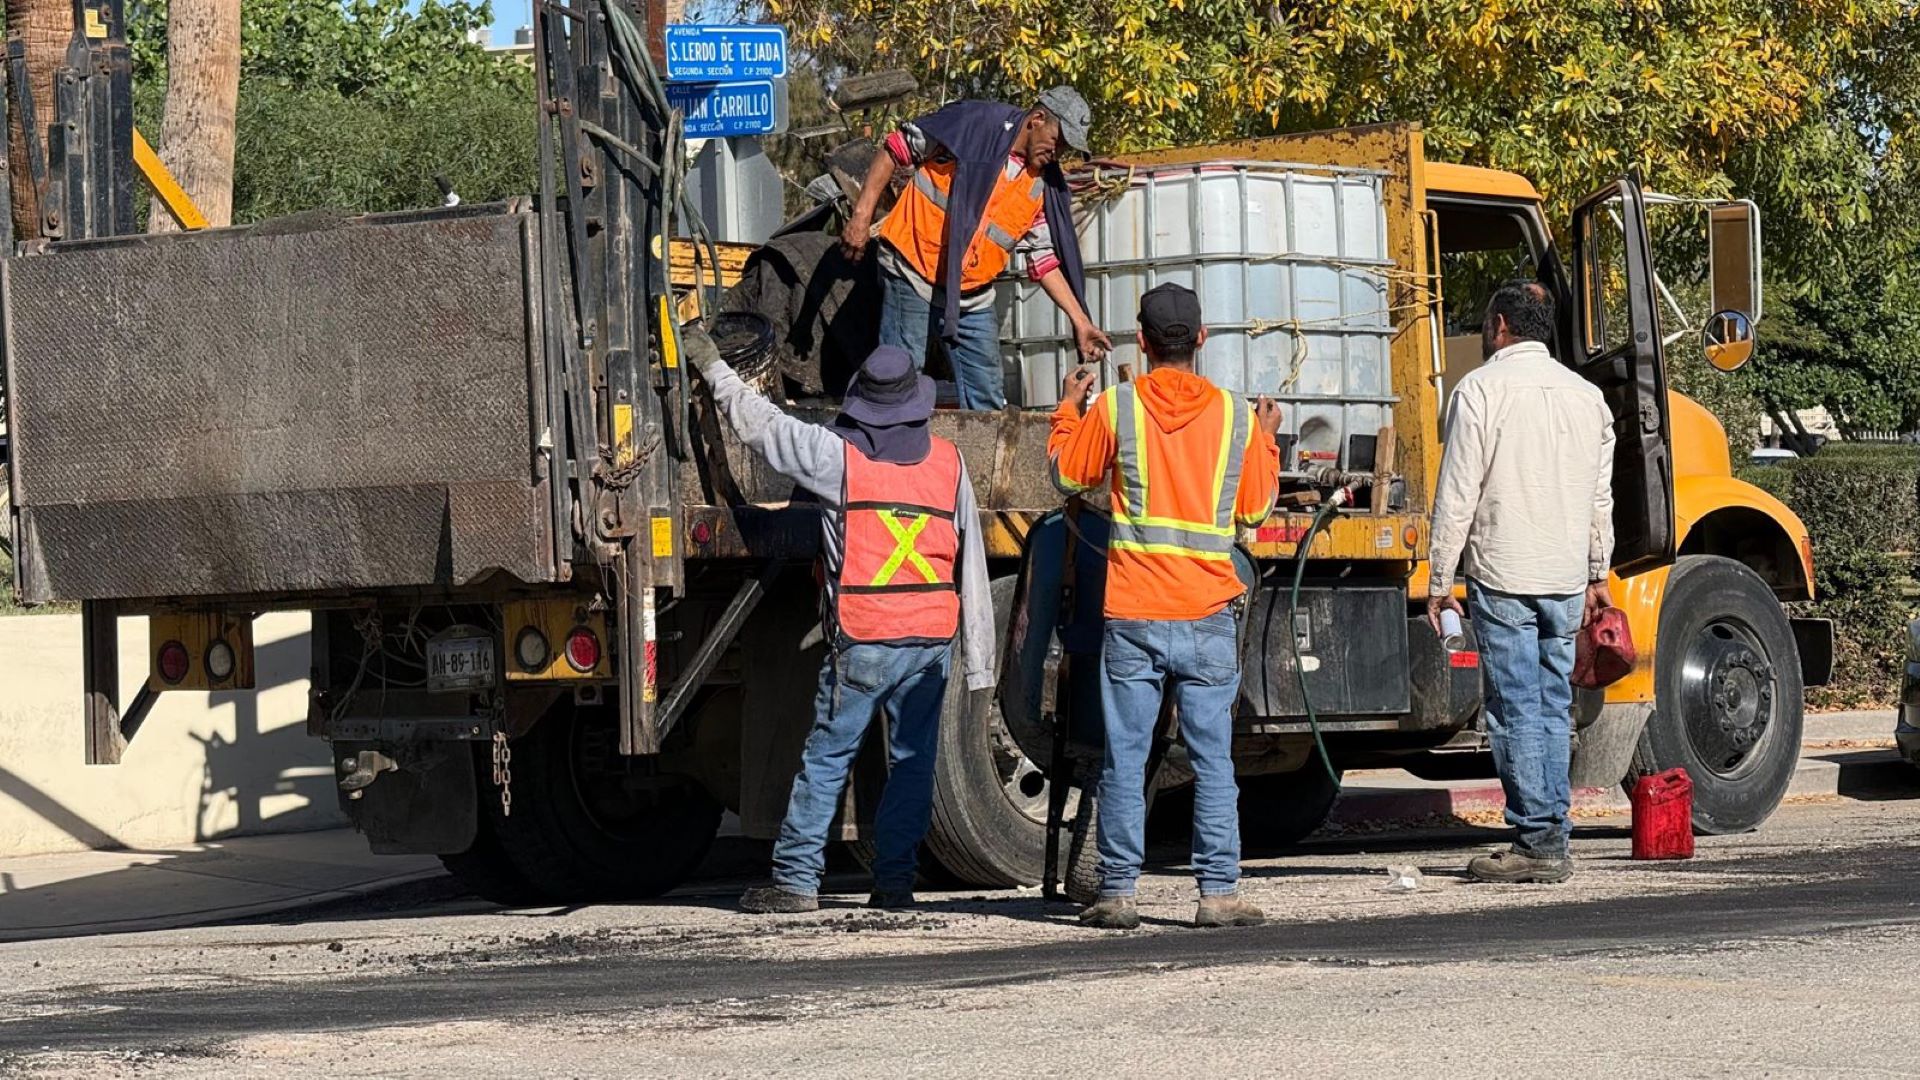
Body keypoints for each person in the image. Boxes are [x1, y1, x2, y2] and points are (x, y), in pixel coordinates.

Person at [684, 333, 994, 913]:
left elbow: (762, 427)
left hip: (865, 634)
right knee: (912, 763)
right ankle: (896, 883)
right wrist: (980, 660)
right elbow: (971, 560)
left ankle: (798, 882)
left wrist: (713, 367)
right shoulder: (950, 464)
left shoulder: (836, 459)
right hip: (930, 635)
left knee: (828, 756)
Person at [1047, 283, 1282, 930]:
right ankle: (1217, 893)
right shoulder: (1236, 417)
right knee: (1211, 759)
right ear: (1201, 340)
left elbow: (1068, 476)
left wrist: (1068, 411)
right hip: (1207, 613)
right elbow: (1256, 511)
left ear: (1142, 341)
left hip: (1135, 612)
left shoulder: (1118, 407)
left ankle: (1119, 893)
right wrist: (1265, 440)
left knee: (1125, 755)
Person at [1426, 281, 1616, 885]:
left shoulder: (1479, 390)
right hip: (1563, 574)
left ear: (1501, 325)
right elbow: (1598, 499)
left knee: (1514, 708)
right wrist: (1596, 572)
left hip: (1504, 573)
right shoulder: (1587, 397)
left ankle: (1537, 841)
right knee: (1554, 703)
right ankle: (1553, 829)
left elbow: (1458, 492)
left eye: (1486, 323)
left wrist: (1439, 580)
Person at [839, 86, 1112, 410]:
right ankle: (889, 454)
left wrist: (1080, 321)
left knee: (987, 400)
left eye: (1066, 148)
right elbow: (895, 148)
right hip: (911, 267)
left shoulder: (1039, 184)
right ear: (1037, 119)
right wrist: (860, 217)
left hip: (971, 293)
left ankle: (985, 462)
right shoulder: (974, 124)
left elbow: (1043, 261)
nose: (1058, 153)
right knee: (898, 383)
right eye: (1058, 141)